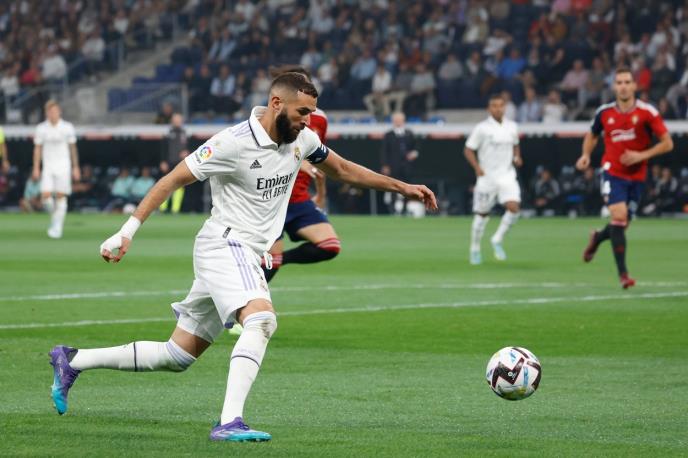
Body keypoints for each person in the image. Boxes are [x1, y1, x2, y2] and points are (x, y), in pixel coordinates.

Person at [48, 72, 436, 442]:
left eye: (311, 114)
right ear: (276, 103)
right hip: (225, 244)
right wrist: (126, 231)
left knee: (177, 355)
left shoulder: (302, 140)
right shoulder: (231, 143)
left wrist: (402, 187)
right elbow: (171, 180)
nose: (308, 121)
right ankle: (229, 421)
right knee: (262, 320)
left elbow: (343, 169)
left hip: (245, 253)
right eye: (302, 112)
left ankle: (73, 359)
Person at [576, 67, 673, 289]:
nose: (623, 86)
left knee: (621, 225)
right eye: (619, 82)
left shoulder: (647, 112)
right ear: (614, 86)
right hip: (612, 172)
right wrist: (585, 155)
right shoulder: (604, 113)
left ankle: (597, 238)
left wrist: (641, 155)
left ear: (634, 86)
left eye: (627, 82)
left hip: (637, 175)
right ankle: (623, 275)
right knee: (619, 216)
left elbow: (668, 143)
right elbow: (592, 135)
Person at [261, 66, 338, 285]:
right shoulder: (273, 114)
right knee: (271, 262)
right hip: (272, 195)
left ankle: (279, 260)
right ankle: (240, 301)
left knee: (330, 246)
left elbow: (321, 161)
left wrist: (321, 193)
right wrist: (295, 160)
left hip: (298, 198)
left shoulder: (320, 119)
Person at [464, 93, 522, 265]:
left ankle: (497, 239)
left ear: (505, 107)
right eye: (494, 106)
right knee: (482, 215)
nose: (498, 109)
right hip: (487, 177)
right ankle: (475, 248)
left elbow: (516, 145)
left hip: (507, 175)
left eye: (501, 106)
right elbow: (468, 149)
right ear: (489, 108)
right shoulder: (482, 128)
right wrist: (477, 168)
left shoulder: (512, 126)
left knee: (514, 208)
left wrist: (517, 157)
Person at [32, 100, 79, 239]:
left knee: (60, 196)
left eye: (55, 111)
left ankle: (57, 227)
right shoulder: (41, 128)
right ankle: (55, 219)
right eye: (50, 111)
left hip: (63, 166)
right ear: (46, 113)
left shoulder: (67, 127)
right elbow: (37, 149)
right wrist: (36, 167)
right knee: (46, 197)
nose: (53, 114)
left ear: (59, 112)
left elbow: (73, 149)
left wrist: (76, 167)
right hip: (48, 166)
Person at [381, 111, 420, 215]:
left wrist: (414, 153)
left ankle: (404, 209)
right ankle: (393, 209)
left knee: (408, 188)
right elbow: (384, 151)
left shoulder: (409, 133)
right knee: (393, 187)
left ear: (403, 121)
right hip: (394, 166)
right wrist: (385, 165)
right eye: (396, 120)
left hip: (407, 166)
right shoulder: (388, 135)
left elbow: (416, 147)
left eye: (400, 120)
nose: (398, 122)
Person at [160, 113, 189, 213]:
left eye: (179, 119)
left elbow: (190, 147)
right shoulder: (168, 133)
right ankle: (162, 208)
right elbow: (163, 148)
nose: (177, 121)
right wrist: (163, 161)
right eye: (175, 119)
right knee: (166, 185)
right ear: (172, 121)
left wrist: (187, 152)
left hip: (180, 163)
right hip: (169, 162)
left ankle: (175, 209)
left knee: (180, 186)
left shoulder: (185, 133)